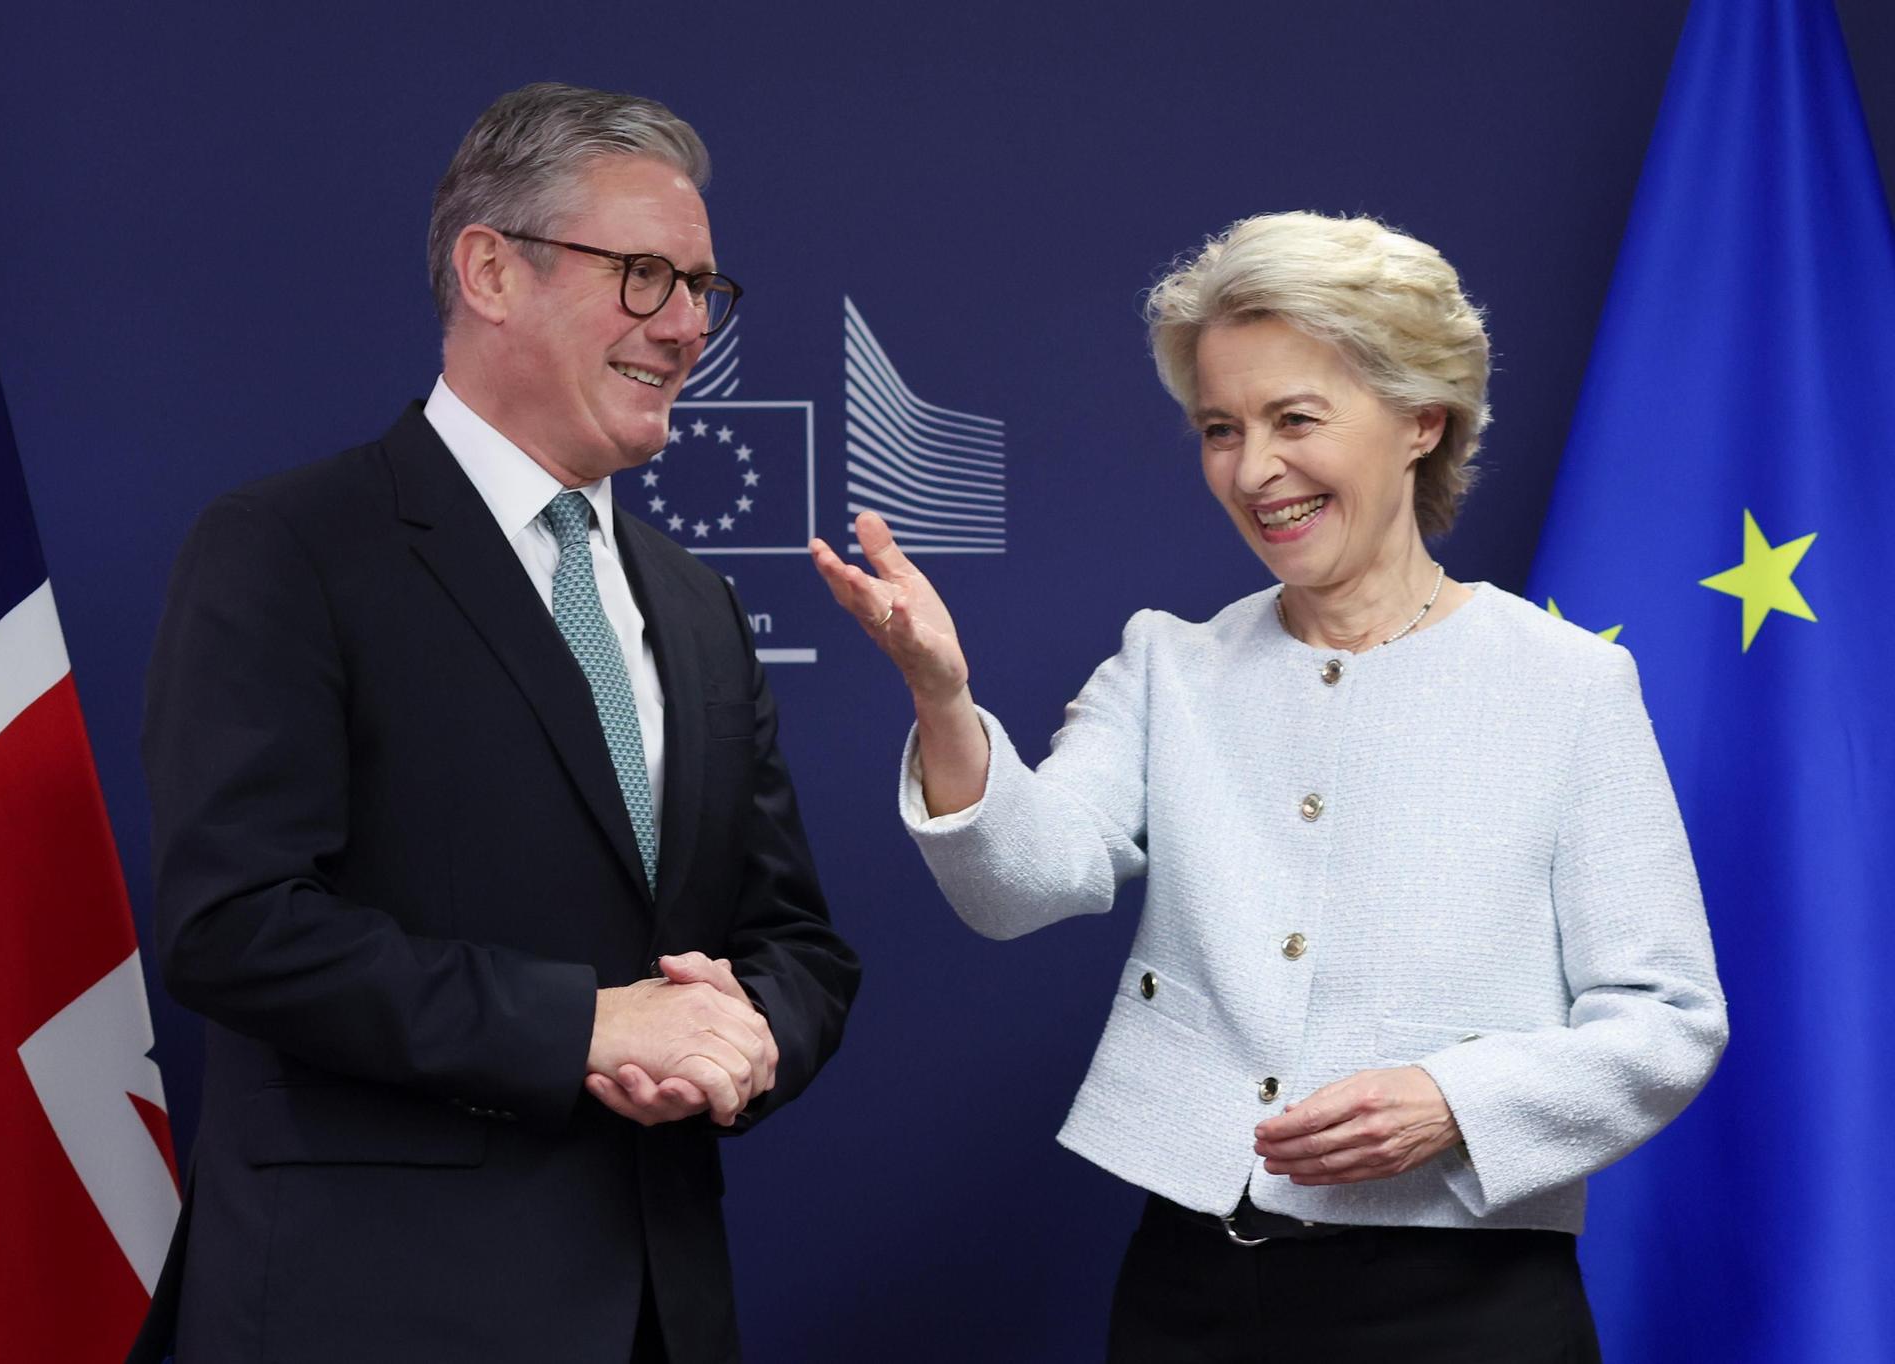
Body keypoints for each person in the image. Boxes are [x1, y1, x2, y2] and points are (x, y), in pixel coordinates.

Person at [811, 210, 1724, 1360]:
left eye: (1295, 418)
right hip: (1194, 1290)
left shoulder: (1568, 685)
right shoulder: (1167, 663)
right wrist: (943, 697)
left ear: (1417, 420)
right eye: (1217, 428)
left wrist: (1457, 1100)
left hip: (1470, 1304)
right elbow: (1021, 885)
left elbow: (1665, 1018)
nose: (1252, 470)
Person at [132, 83, 858, 1364]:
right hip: (367, 1314)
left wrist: (744, 1036)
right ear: (489, 271)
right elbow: (234, 923)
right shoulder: (290, 548)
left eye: (701, 287)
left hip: (662, 1311)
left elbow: (791, 938)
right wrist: (582, 1021)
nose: (687, 325)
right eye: (643, 275)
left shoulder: (692, 605)